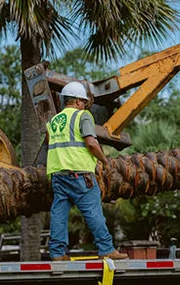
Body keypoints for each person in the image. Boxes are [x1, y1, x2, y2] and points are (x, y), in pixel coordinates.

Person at [46, 81, 127, 261]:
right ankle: (106, 248)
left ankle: (57, 253)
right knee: (93, 212)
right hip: (80, 174)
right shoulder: (82, 116)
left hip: (58, 174)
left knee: (59, 214)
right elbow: (91, 143)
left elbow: (51, 142)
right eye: (83, 101)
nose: (84, 105)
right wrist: (104, 160)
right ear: (76, 101)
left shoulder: (53, 120)